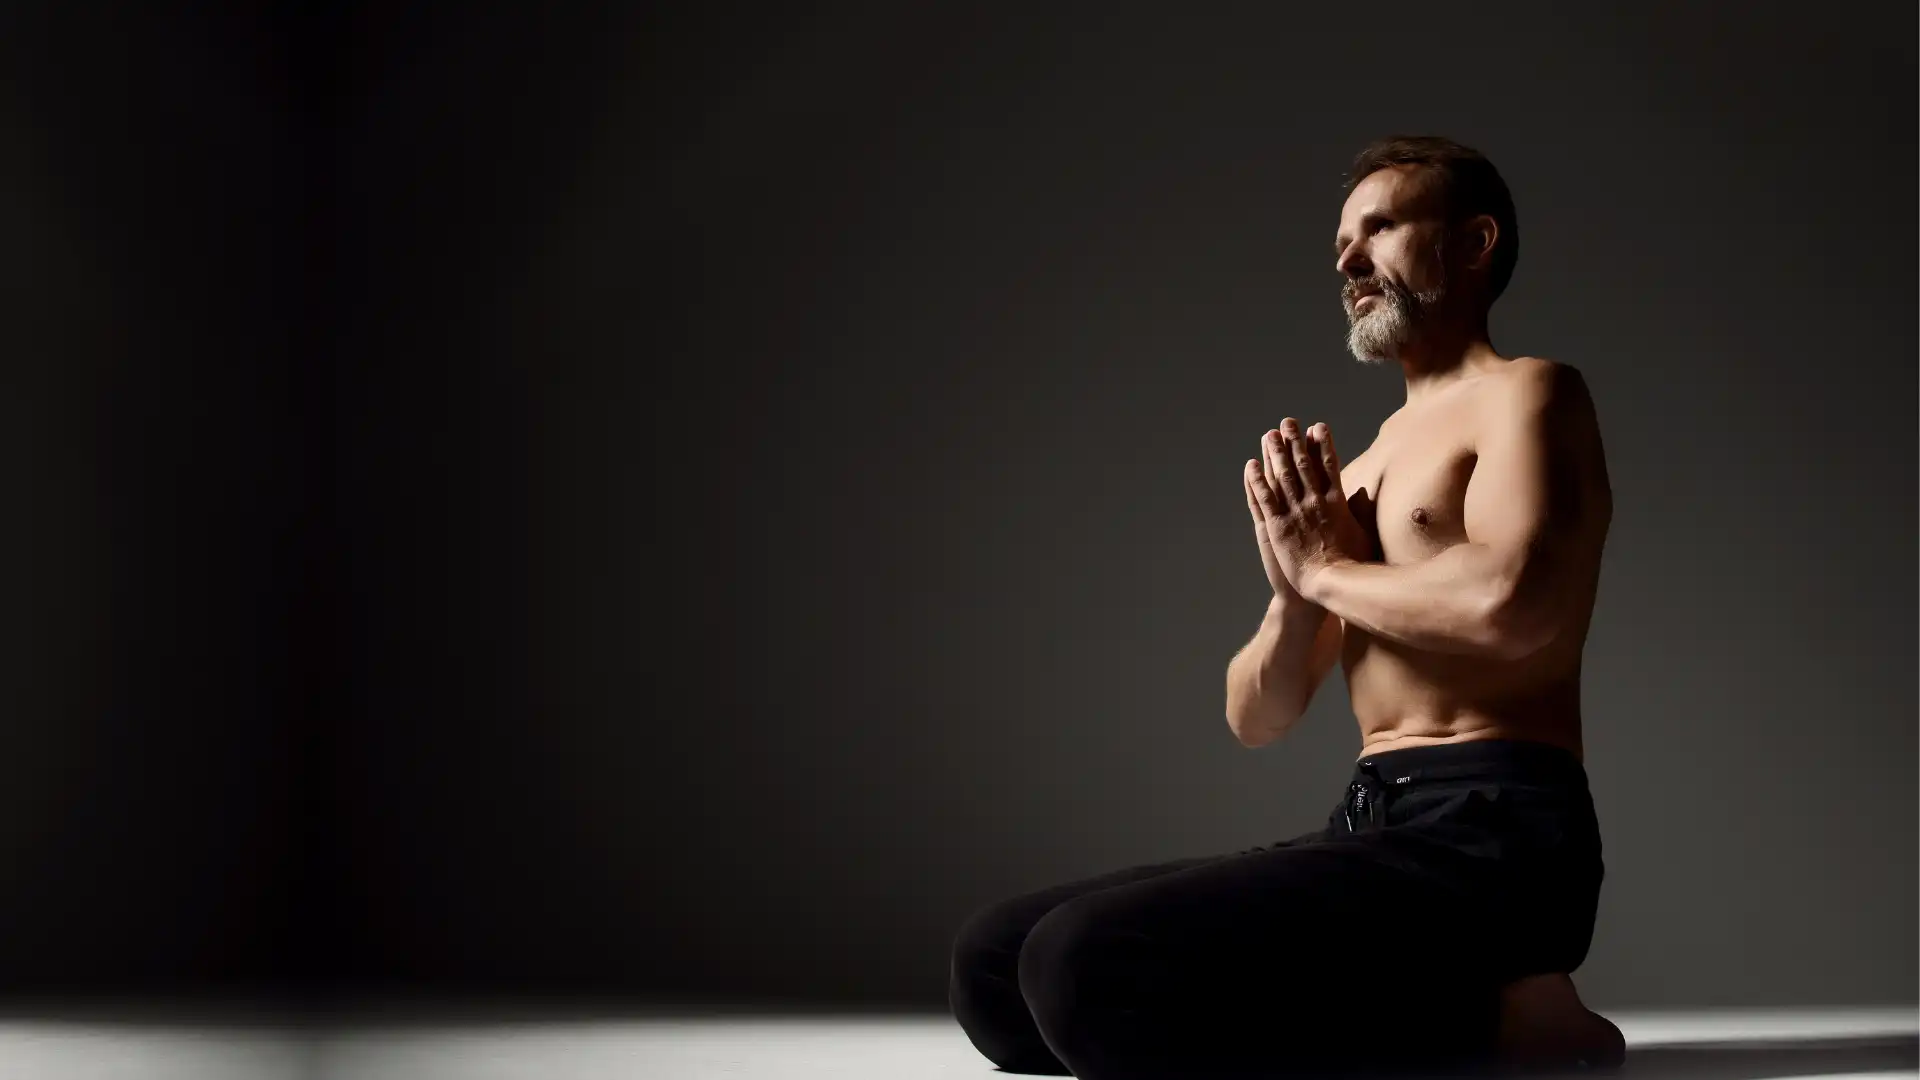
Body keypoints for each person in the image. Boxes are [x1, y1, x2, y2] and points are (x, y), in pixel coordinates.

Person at [948, 135, 1624, 1078]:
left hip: (1497, 835)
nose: (1348, 261)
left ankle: (1492, 1010)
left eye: (1380, 227)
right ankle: (1470, 1013)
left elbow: (1511, 606)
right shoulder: (1360, 464)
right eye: (1344, 243)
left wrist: (1327, 575)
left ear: (1474, 243)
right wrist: (1296, 599)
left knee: (1080, 966)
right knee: (992, 964)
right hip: (1373, 824)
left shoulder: (1530, 394)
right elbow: (1256, 716)